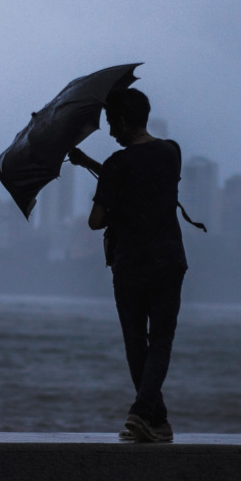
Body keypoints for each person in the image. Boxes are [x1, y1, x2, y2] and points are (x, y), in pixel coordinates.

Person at [69, 88, 188, 443]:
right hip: (168, 260)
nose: (110, 132)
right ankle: (158, 420)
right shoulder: (172, 152)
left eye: (110, 124)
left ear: (121, 120)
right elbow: (143, 179)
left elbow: (95, 220)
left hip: (131, 265)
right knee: (161, 340)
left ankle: (140, 412)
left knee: (136, 343)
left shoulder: (118, 165)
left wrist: (105, 186)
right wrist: (90, 163)